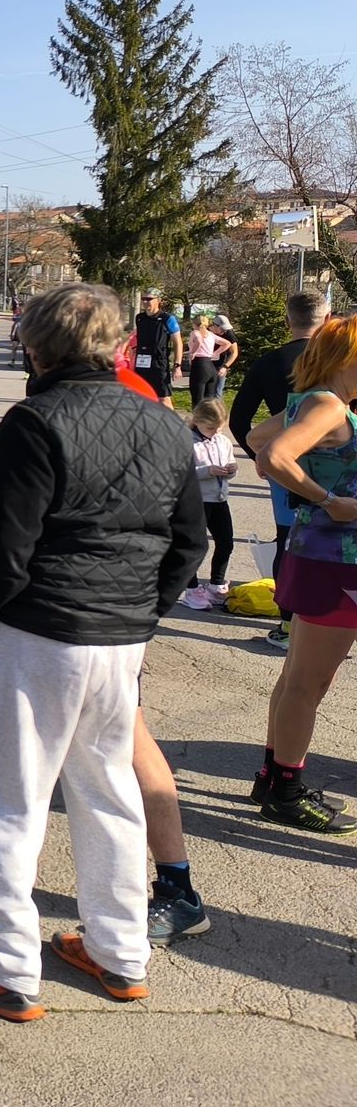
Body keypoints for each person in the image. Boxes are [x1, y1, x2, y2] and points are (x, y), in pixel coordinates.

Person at [0, 284, 206, 1023]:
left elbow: (5, 547)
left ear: (36, 347)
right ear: (119, 346)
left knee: (8, 797)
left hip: (36, 631)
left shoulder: (34, 420)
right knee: (108, 790)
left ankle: (4, 965)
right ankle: (120, 950)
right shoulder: (163, 421)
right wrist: (143, 611)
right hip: (118, 636)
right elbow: (191, 541)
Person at [244, 316, 357, 835]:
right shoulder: (327, 405)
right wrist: (328, 498)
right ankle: (286, 791)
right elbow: (273, 454)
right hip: (335, 558)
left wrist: (302, 480)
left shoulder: (311, 402)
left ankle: (273, 777)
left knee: (299, 676)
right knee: (308, 682)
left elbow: (256, 436)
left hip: (318, 553)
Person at [230, 291, 326, 648]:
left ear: (287, 321)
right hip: (337, 463)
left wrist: (260, 456)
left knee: (287, 540)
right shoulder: (339, 361)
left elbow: (239, 419)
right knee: (338, 536)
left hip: (285, 463)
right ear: (327, 319)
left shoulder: (269, 362)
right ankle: (329, 618)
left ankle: (287, 625)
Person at [178, 399, 240, 610]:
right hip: (196, 501)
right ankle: (191, 589)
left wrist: (231, 469)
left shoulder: (222, 441)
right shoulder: (186, 441)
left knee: (226, 542)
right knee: (194, 546)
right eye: (210, 428)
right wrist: (207, 471)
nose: (215, 433)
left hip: (219, 499)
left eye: (219, 429)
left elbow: (229, 462)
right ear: (197, 421)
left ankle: (216, 584)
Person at [129, 289, 182, 406]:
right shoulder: (139, 318)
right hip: (142, 361)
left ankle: (170, 418)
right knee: (141, 396)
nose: (145, 302)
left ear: (158, 300)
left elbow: (178, 342)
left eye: (149, 299)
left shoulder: (167, 319)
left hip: (158, 362)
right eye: (143, 299)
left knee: (163, 398)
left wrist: (177, 365)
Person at [183, 312, 236, 403]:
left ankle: (199, 412)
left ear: (194, 324)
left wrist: (193, 353)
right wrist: (214, 353)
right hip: (210, 366)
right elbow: (227, 343)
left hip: (201, 365)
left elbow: (199, 340)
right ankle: (210, 412)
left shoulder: (195, 332)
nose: (224, 331)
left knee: (198, 400)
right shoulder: (210, 334)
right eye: (222, 329)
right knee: (209, 401)